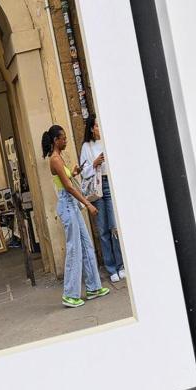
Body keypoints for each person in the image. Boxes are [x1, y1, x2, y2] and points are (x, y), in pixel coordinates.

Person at [42, 124, 109, 308]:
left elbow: (66, 179)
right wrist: (88, 204)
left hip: (71, 205)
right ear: (56, 140)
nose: (66, 141)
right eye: (63, 138)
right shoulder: (55, 159)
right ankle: (70, 294)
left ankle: (94, 287)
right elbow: (69, 187)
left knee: (86, 245)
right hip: (67, 205)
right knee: (74, 249)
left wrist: (74, 172)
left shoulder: (59, 157)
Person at [79, 115, 126, 282]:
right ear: (92, 128)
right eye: (97, 125)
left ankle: (121, 265)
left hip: (110, 184)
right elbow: (84, 172)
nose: (100, 128)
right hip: (98, 188)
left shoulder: (107, 141)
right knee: (103, 230)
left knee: (114, 227)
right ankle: (111, 267)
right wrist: (95, 163)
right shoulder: (87, 146)